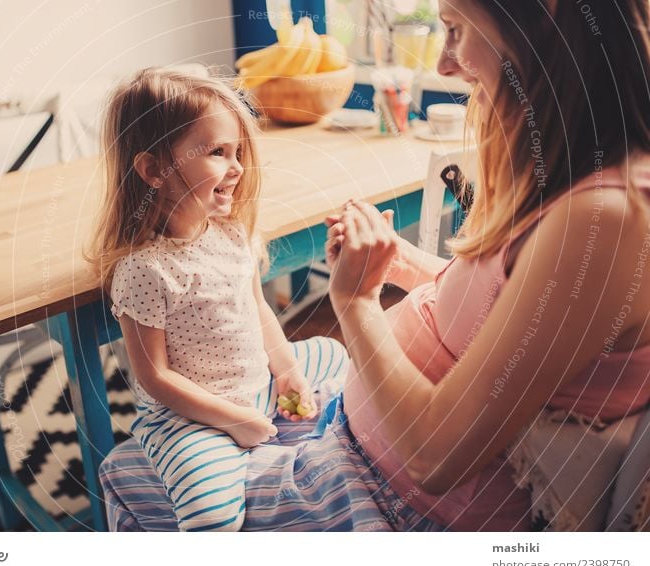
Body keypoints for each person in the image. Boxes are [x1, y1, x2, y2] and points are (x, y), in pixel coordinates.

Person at [99, 0, 650, 532]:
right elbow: (509, 309)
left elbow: (436, 458)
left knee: (121, 474)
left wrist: (356, 302)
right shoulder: (581, 179)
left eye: (454, 28)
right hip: (366, 455)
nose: (444, 63)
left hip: (391, 501)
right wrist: (402, 263)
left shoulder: (605, 218)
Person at [86, 67, 348, 532]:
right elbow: (157, 377)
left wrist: (286, 371)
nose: (237, 167)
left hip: (257, 386)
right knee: (214, 519)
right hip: (190, 416)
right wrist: (234, 420)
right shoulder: (146, 271)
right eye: (216, 153)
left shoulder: (230, 236)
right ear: (152, 170)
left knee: (333, 354)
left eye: (237, 152)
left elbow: (258, 310)